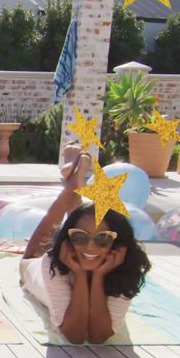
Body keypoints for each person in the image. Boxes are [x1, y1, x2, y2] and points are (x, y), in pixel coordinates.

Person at [19, 142, 152, 344]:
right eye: (79, 237)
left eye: (103, 238)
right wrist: (81, 274)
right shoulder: (52, 262)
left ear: (118, 243)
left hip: (85, 261)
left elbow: (99, 336)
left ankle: (73, 184)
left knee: (85, 222)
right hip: (35, 271)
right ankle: (72, 188)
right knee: (28, 260)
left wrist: (98, 276)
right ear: (70, 240)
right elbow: (75, 335)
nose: (91, 247)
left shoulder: (126, 266)